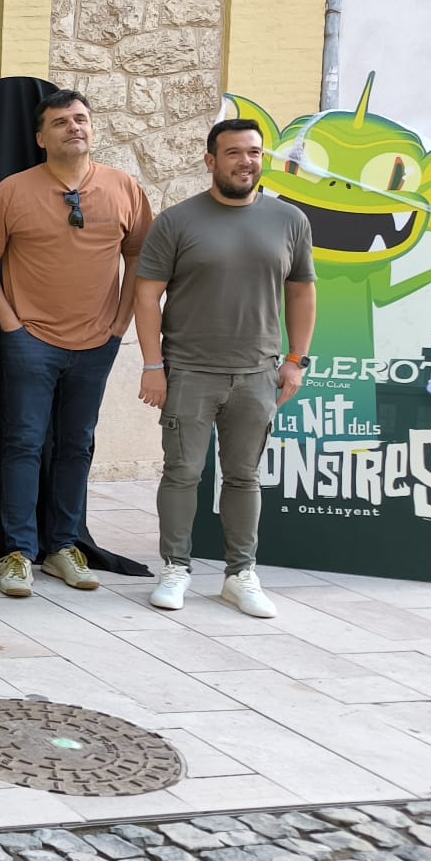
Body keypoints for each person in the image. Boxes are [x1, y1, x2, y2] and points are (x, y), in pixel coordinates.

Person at [135, 116, 315, 618]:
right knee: (182, 473)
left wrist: (297, 360)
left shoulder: (289, 221)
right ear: (211, 160)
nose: (246, 161)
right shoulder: (177, 221)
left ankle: (241, 574)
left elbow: (302, 291)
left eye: (254, 152)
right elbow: (146, 295)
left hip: (258, 372)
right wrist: (153, 365)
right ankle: (176, 569)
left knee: (244, 476)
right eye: (234, 153)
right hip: (189, 369)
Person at [0, 90, 154, 599]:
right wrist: (10, 323)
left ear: (93, 130)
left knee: (77, 444)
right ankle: (18, 552)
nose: (73, 128)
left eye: (81, 119)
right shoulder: (11, 192)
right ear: (41, 138)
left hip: (97, 341)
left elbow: (142, 258)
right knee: (23, 443)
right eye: (61, 122)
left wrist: (120, 325)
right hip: (30, 340)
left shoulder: (125, 188)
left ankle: (63, 546)